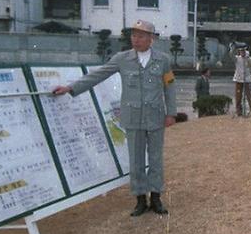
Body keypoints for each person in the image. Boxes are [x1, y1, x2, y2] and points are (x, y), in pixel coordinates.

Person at [51, 20, 176, 216]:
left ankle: (156, 198)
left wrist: (171, 113)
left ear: (151, 39)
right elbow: (98, 75)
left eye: (141, 36)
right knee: (135, 160)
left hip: (155, 117)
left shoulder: (163, 60)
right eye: (133, 35)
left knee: (155, 159)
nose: (136, 39)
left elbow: (170, 87)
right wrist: (71, 87)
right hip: (132, 117)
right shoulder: (122, 58)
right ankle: (140, 199)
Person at [233, 44, 251, 116]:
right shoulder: (237, 58)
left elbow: (250, 64)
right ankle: (238, 111)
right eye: (241, 51)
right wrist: (232, 48)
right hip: (238, 79)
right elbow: (231, 55)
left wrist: (247, 57)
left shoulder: (249, 58)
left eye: (243, 51)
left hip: (247, 79)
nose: (242, 52)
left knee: (249, 95)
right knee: (238, 96)